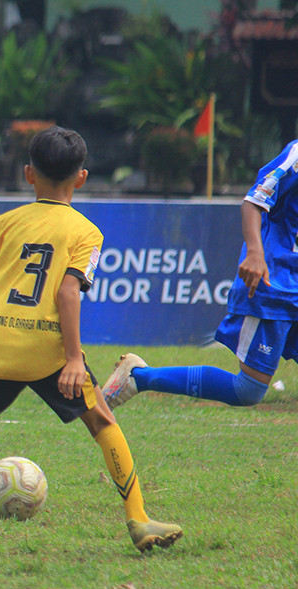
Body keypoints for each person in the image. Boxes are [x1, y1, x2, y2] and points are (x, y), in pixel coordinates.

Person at [0, 126, 182, 555]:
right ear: (81, 177)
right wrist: (75, 358)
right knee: (103, 423)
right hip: (48, 351)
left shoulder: (6, 222)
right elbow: (66, 292)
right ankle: (138, 520)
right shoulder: (87, 232)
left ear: (28, 174)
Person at [104, 140, 298, 411]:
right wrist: (255, 253)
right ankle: (138, 377)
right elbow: (254, 201)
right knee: (248, 390)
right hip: (274, 283)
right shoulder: (297, 155)